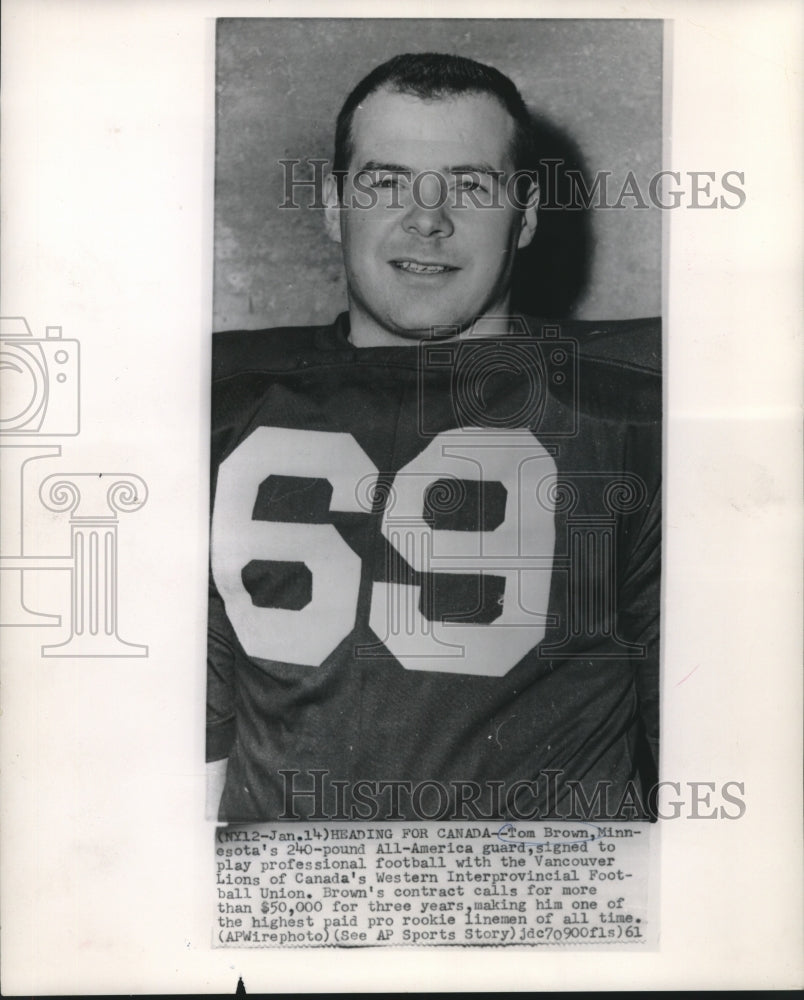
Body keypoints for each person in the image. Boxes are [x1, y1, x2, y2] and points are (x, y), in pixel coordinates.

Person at [206, 53, 661, 823]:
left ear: (527, 213)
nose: (427, 217)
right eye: (384, 183)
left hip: (553, 916)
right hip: (289, 916)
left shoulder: (634, 425)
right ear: (330, 205)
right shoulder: (215, 422)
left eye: (470, 186)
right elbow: (187, 761)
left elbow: (723, 740)